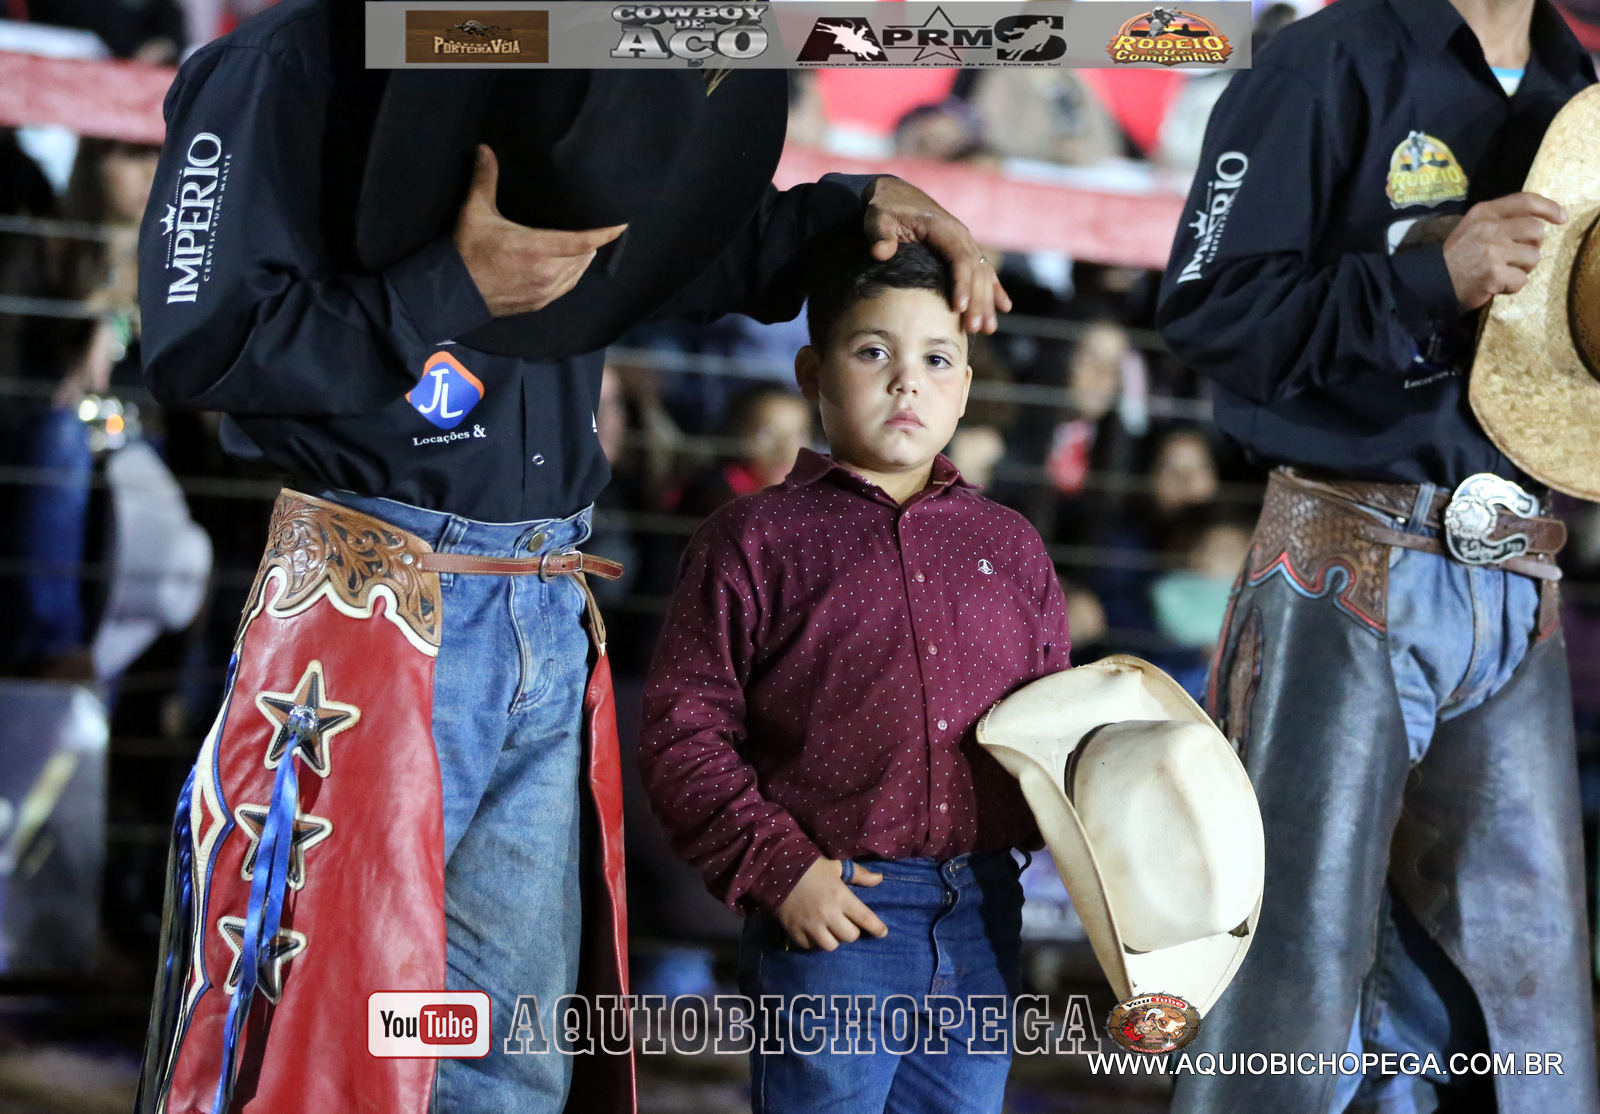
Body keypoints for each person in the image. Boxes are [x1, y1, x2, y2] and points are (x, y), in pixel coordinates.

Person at [132, 3, 1012, 1113]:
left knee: (504, 1047)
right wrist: (452, 285)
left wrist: (843, 216)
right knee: (333, 1027)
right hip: (371, 602)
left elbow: (663, 254)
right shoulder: (279, 62)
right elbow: (199, 339)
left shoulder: (523, 35)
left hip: (538, 598)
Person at [1156, 0, 1598, 1109]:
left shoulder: (1578, 90)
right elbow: (1209, 307)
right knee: (1290, 967)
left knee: (1523, 997)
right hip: (1345, 556)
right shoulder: (1321, 61)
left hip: (1522, 576)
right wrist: (1428, 279)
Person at [637, 241, 1071, 1114]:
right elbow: (682, 733)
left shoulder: (1012, 545)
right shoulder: (752, 540)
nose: (908, 381)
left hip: (988, 913)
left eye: (936, 360)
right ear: (812, 372)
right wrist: (780, 869)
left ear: (965, 388)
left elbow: (1056, 727)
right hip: (834, 913)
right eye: (874, 351)